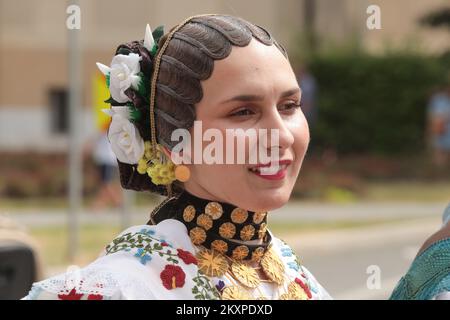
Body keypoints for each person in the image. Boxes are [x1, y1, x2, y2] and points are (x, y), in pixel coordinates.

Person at [23, 14, 331, 300]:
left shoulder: (293, 273)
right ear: (176, 143)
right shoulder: (126, 286)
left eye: (289, 105)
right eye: (243, 112)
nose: (282, 136)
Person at [427, 86, 450, 166]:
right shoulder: (437, 100)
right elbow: (433, 117)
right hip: (439, 131)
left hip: (444, 131)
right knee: (439, 153)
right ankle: (438, 172)